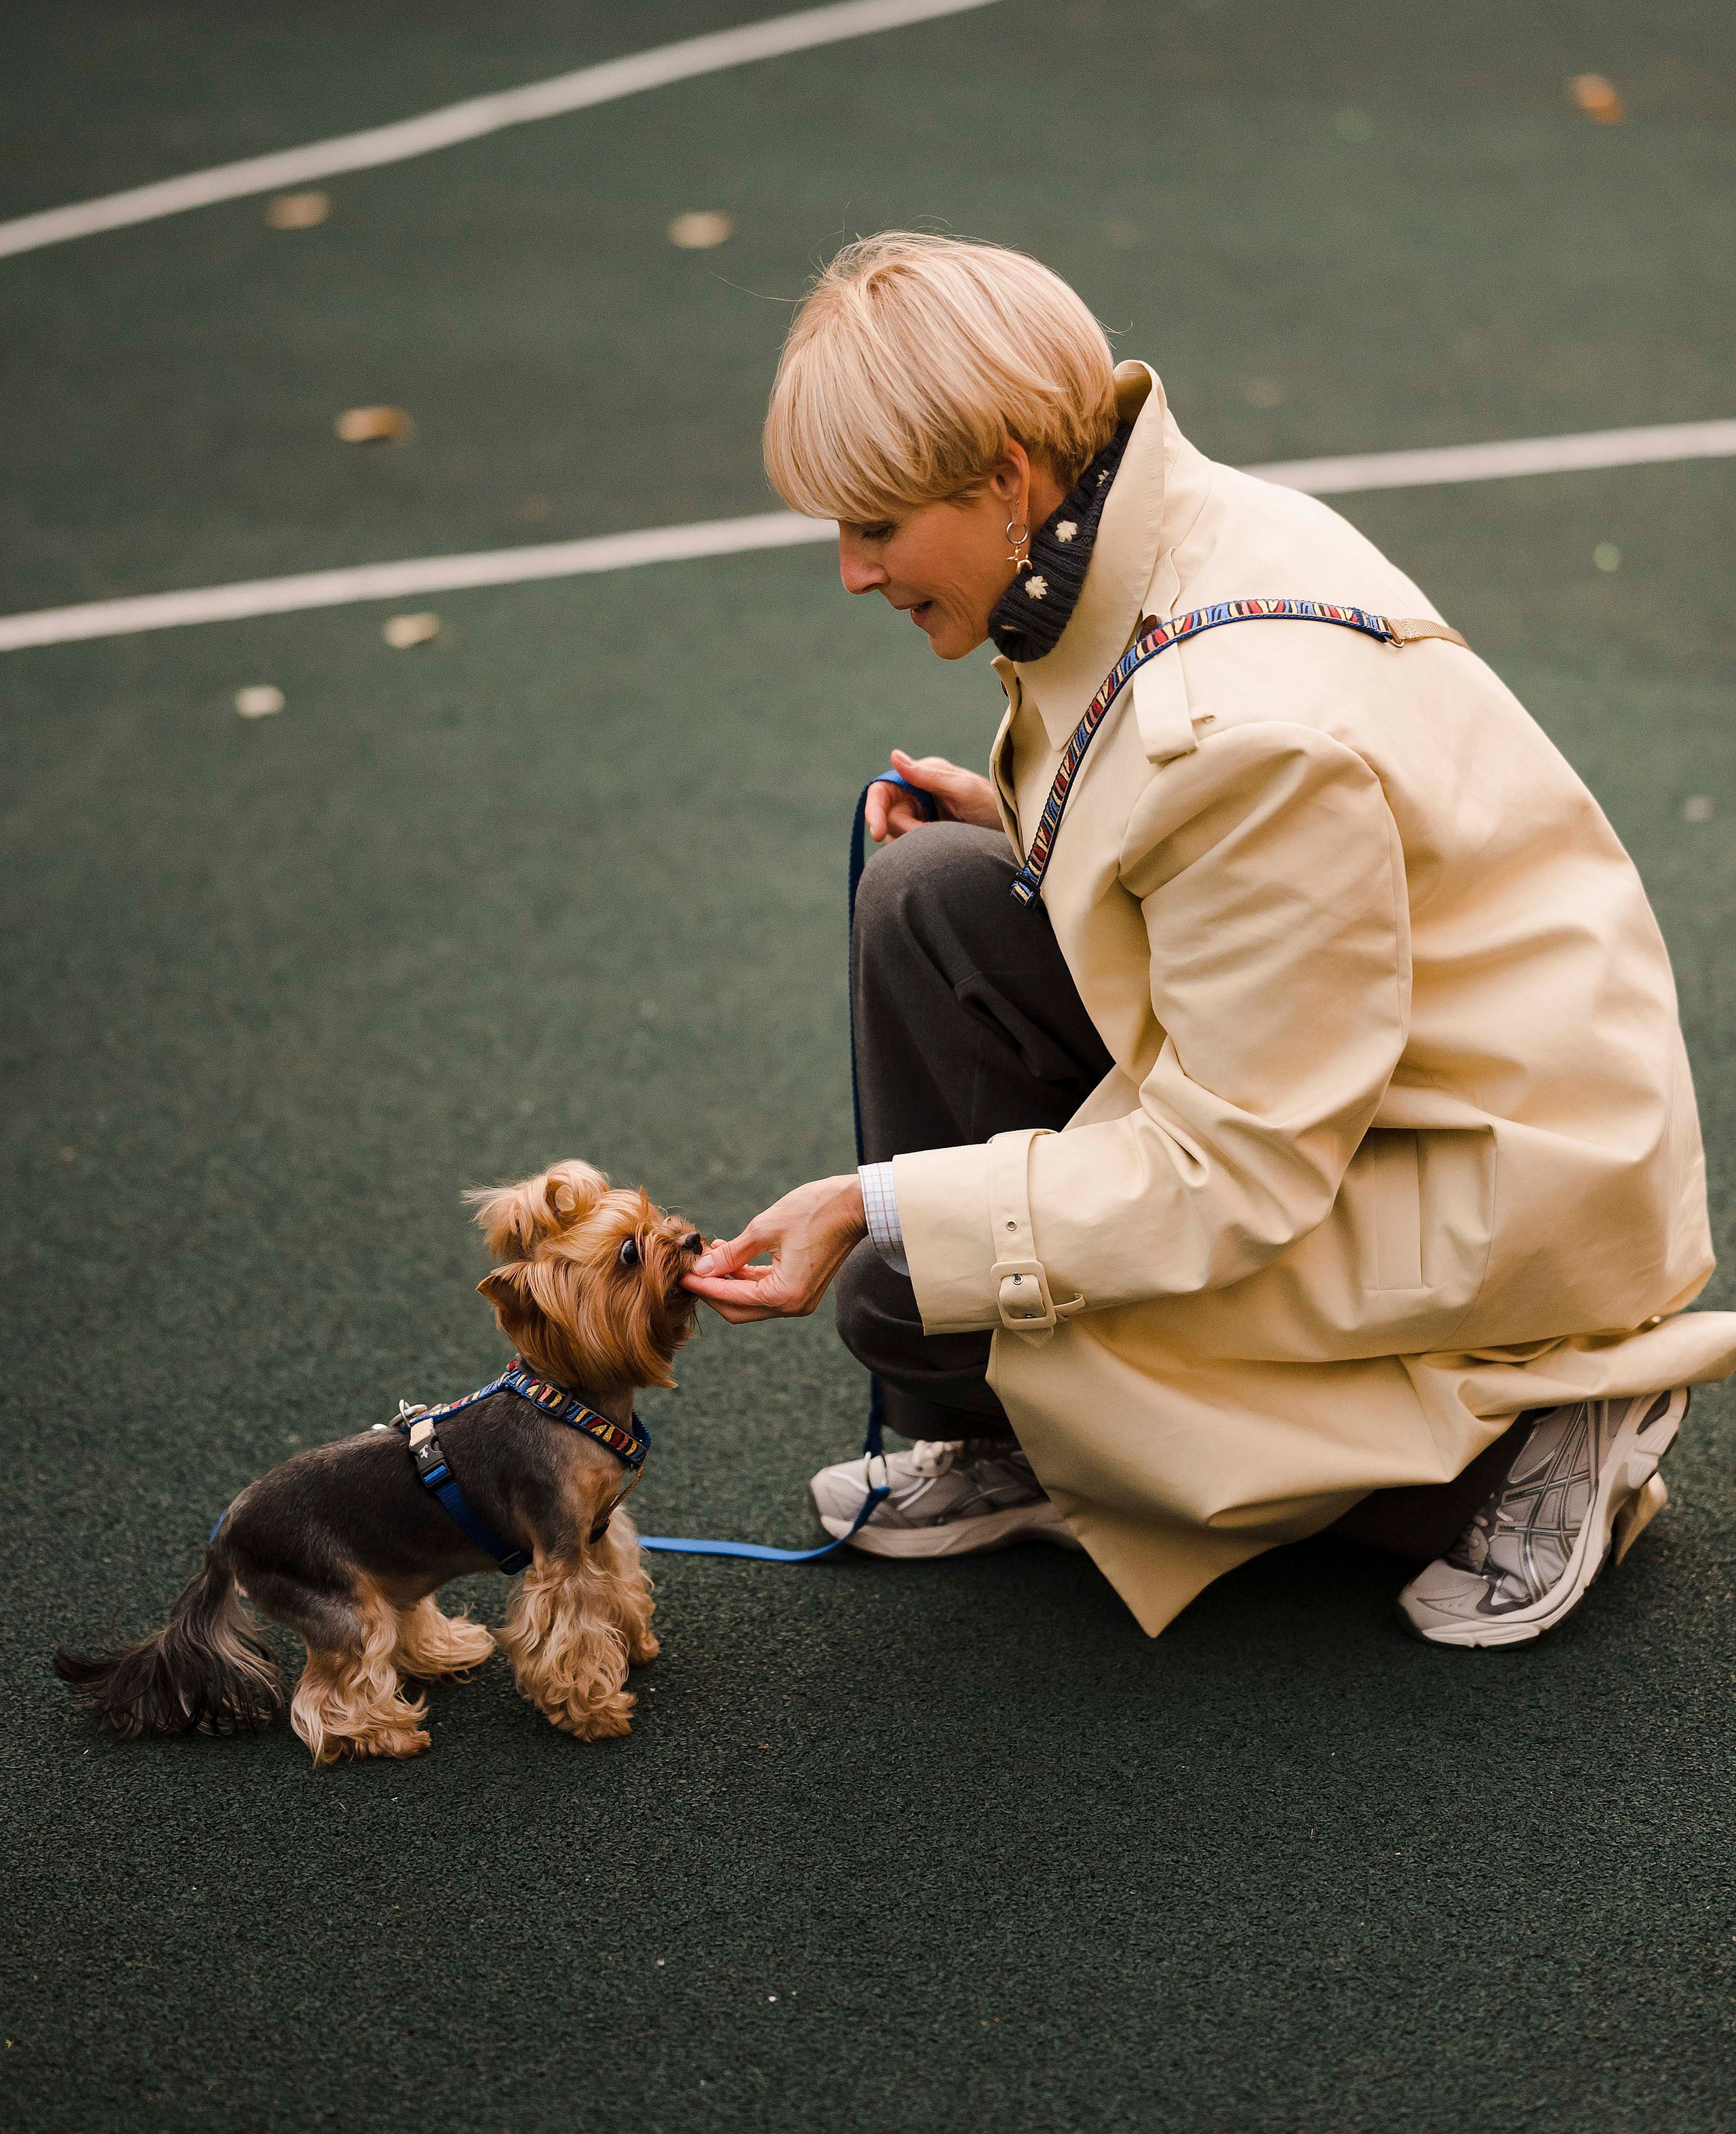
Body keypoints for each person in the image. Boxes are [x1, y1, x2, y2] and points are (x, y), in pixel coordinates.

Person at [684, 230, 1736, 1647]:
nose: (851, 572)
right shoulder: (1148, 527)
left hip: (1494, 1178)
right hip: (1378, 1086)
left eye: (874, 524)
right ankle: (1018, 1440)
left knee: (912, 1294)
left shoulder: (1240, 735)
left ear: (1004, 477)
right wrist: (1018, 820)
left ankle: (1537, 1421)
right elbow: (1208, 858)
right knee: (932, 894)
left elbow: (1228, 1170)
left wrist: (878, 1204)